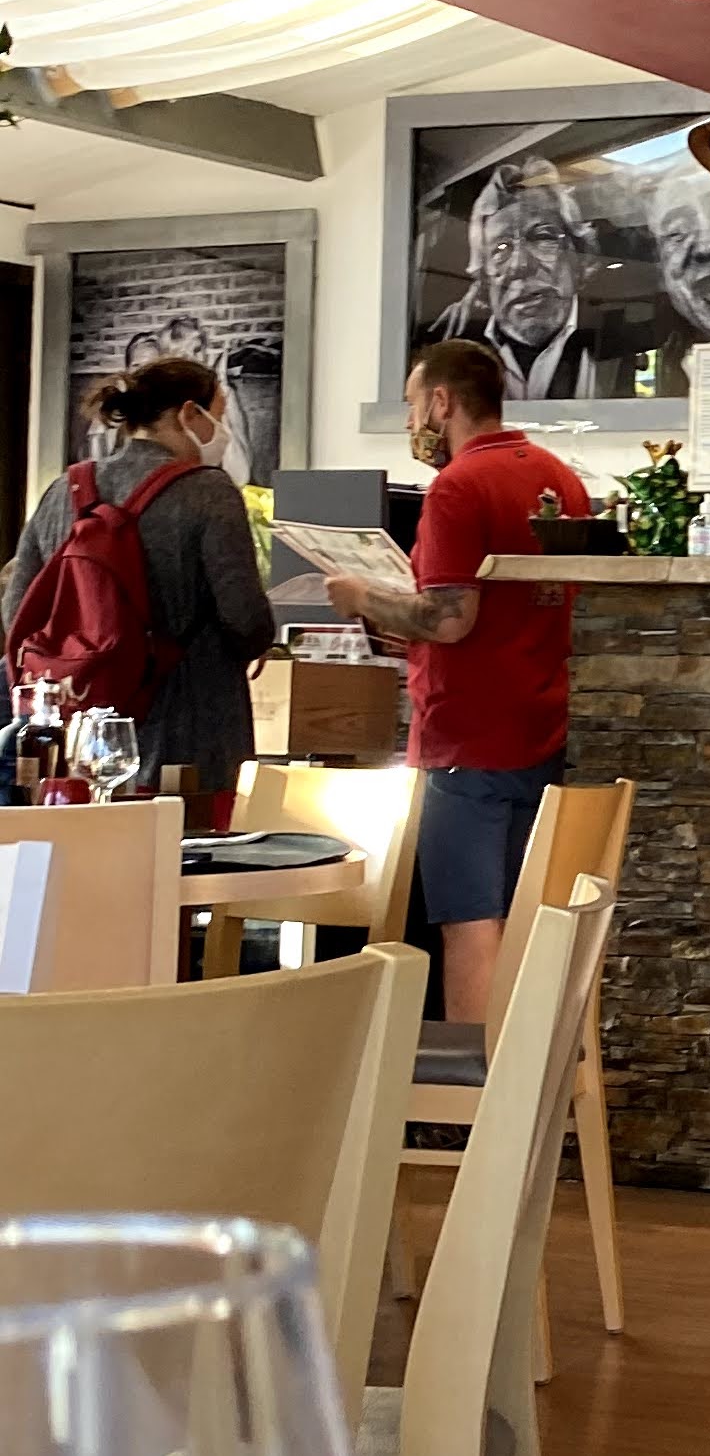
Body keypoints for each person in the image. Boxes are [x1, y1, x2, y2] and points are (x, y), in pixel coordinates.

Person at [326, 340, 588, 1026]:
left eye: (414, 404)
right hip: (546, 727)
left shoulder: (457, 487)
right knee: (530, 920)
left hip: (467, 738)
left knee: (470, 922)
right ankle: (532, 1074)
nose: (413, 421)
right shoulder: (560, 477)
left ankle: (474, 1086)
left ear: (441, 401)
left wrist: (361, 596)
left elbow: (449, 619)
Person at [3, 355, 276, 795]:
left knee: (95, 834)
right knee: (191, 835)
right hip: (189, 727)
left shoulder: (64, 490)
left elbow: (17, 610)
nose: (223, 432)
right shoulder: (208, 490)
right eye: (220, 416)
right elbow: (245, 619)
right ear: (189, 413)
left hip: (82, 727)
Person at [425, 166, 607, 400]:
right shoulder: (450, 345)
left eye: (543, 237)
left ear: (582, 260)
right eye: (500, 248)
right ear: (484, 277)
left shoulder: (614, 334)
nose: (519, 264)